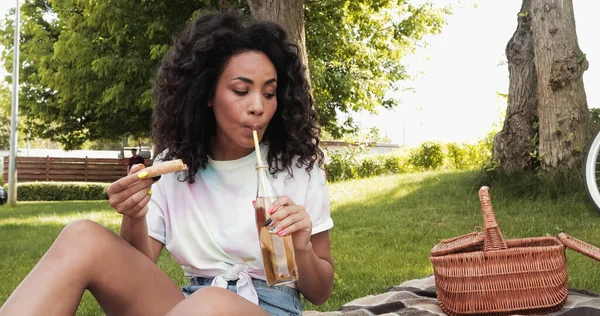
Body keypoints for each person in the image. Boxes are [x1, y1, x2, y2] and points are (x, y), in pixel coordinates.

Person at [0, 12, 334, 316]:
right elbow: (137, 267)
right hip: (188, 305)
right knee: (82, 237)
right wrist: (135, 215)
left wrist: (301, 247)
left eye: (269, 93)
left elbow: (320, 293)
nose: (257, 106)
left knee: (210, 304)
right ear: (207, 94)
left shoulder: (299, 167)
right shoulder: (174, 166)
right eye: (241, 91)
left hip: (271, 307)